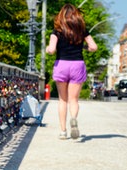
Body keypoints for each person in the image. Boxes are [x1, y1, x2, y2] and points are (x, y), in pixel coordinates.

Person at [46, 3, 97, 140]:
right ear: (76, 16)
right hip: (77, 65)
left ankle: (63, 131)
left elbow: (51, 50)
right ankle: (73, 118)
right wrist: (82, 47)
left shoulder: (56, 31)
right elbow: (93, 47)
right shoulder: (82, 31)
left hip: (62, 64)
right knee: (73, 100)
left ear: (61, 16)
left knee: (63, 100)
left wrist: (48, 49)